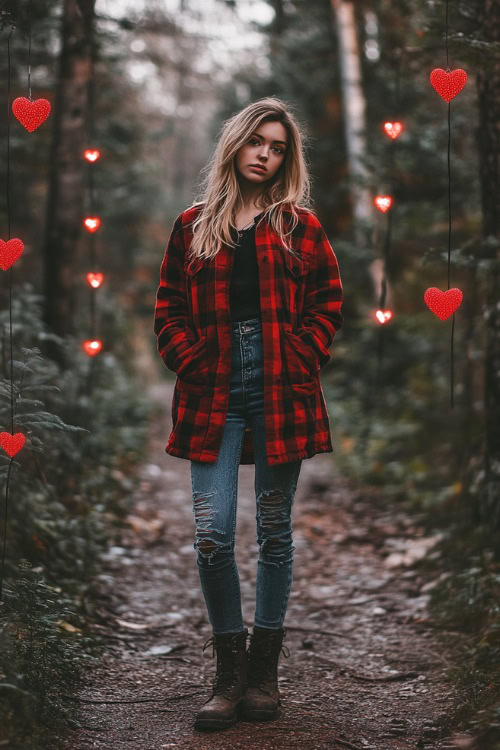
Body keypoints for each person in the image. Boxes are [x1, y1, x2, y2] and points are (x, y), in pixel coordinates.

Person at [153, 96, 344, 731]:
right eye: (258, 141)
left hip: (280, 383)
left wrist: (297, 352)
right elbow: (167, 310)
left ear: (287, 158)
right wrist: (195, 360)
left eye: (279, 146)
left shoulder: (299, 227)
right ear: (236, 144)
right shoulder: (192, 225)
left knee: (273, 530)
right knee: (211, 533)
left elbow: (328, 301)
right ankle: (227, 676)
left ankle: (263, 676)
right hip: (212, 388)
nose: (266, 153)